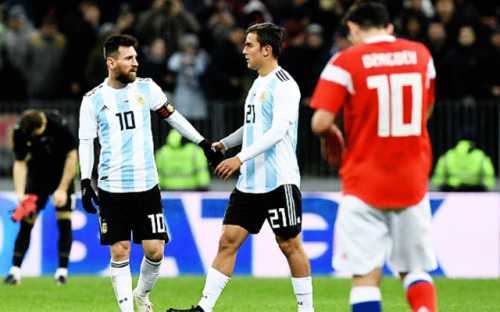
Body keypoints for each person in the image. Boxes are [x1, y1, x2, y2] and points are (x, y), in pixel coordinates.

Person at [167, 22, 314, 312]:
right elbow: (254, 127)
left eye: (250, 45)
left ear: (267, 50)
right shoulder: (259, 82)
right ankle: (203, 308)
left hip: (278, 180)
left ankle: (306, 309)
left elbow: (277, 132)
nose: (244, 50)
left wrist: (239, 158)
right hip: (251, 182)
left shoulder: (284, 84)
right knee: (228, 240)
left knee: (289, 244)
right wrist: (225, 143)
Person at [78, 34, 222, 312]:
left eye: (136, 57)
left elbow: (174, 117)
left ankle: (141, 295)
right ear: (111, 62)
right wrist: (86, 182)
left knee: (155, 251)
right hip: (112, 186)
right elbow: (86, 142)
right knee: (120, 250)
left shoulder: (147, 88)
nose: (135, 63)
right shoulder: (92, 100)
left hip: (146, 184)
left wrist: (202, 142)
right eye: (129, 58)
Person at [310, 2, 438, 312]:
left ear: (353, 28)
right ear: (389, 28)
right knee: (414, 270)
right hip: (412, 179)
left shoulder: (344, 62)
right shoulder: (421, 55)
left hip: (364, 181)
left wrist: (332, 135)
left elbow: (320, 122)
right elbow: (427, 108)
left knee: (365, 276)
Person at [4, 109, 78, 286]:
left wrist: (62, 189)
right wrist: (21, 193)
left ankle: (61, 272)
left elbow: (72, 156)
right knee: (26, 220)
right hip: (37, 177)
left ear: (43, 123)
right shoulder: (21, 130)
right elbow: (20, 162)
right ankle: (15, 272)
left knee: (64, 220)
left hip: (61, 175)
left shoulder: (59, 126)